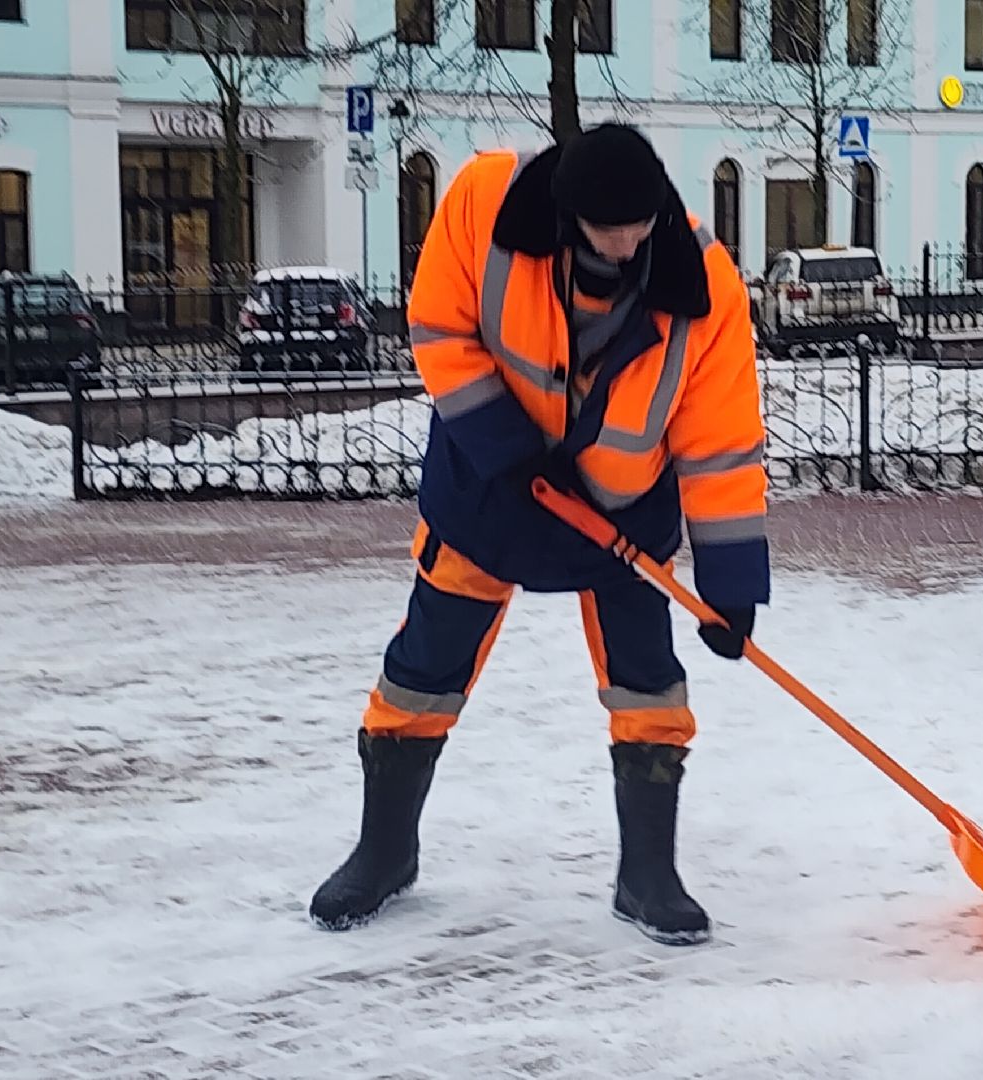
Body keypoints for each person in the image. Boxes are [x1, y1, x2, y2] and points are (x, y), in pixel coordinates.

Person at [308, 124, 769, 947]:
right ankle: (384, 851)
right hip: (492, 491)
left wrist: (730, 583)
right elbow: (440, 327)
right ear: (566, 213)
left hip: (622, 518)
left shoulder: (704, 282)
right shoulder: (484, 203)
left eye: (641, 225)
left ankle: (647, 874)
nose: (628, 245)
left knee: (649, 686)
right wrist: (507, 451)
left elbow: (721, 440)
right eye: (608, 229)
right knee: (422, 669)